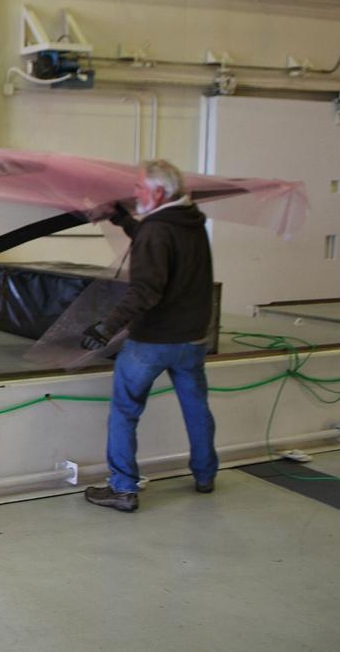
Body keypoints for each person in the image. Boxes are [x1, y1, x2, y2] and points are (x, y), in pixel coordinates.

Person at [80, 159, 217, 512]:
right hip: (193, 339)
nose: (135, 192)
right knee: (196, 407)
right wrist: (124, 220)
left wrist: (106, 327)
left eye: (139, 187)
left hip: (154, 341)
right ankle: (205, 474)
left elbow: (146, 290)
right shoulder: (191, 222)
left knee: (125, 410)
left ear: (158, 193)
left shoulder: (157, 230)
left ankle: (123, 489)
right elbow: (159, 245)